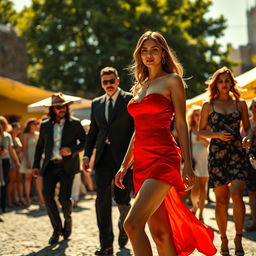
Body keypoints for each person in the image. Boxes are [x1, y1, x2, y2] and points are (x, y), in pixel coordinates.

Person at [115, 31, 216, 256]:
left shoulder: (173, 80)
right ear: (139, 55)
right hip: (141, 162)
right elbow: (137, 130)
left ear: (163, 53)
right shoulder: (139, 87)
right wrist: (125, 164)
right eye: (144, 50)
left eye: (154, 50)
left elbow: (181, 124)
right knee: (160, 234)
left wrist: (187, 165)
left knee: (131, 224)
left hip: (163, 157)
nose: (149, 55)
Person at [199, 66, 251, 256]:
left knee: (237, 195)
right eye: (220, 81)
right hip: (217, 156)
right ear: (215, 83)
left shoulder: (240, 104)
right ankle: (223, 238)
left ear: (231, 83)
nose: (223, 84)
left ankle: (238, 237)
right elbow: (201, 131)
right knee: (221, 201)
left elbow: (248, 127)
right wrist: (217, 135)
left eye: (227, 81)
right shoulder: (208, 105)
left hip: (237, 153)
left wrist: (248, 138)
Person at [83, 67, 134, 255]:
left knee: (122, 200)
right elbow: (93, 134)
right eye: (105, 82)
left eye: (111, 81)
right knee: (101, 201)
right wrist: (87, 155)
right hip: (103, 159)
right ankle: (106, 245)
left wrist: (134, 158)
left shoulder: (130, 99)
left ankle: (124, 227)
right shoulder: (96, 103)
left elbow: (136, 131)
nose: (108, 85)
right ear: (101, 83)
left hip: (125, 160)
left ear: (118, 81)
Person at [32, 92, 86, 244]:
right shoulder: (44, 125)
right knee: (47, 196)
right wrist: (36, 165)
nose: (62, 109)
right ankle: (56, 230)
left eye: (64, 106)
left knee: (64, 198)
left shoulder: (75, 123)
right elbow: (39, 147)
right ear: (52, 108)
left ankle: (67, 219)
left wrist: (72, 150)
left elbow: (85, 141)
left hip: (67, 166)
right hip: (50, 166)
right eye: (58, 106)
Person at [187, 106, 209, 223]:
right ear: (192, 117)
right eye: (196, 114)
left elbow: (208, 144)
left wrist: (203, 139)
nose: (198, 116)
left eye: (200, 114)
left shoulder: (207, 128)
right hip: (193, 162)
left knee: (203, 188)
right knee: (195, 188)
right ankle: (195, 206)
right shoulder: (189, 130)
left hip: (204, 160)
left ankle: (200, 213)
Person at [0, 116, 20, 213]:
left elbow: (11, 151)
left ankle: (3, 205)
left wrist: (16, 161)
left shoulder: (7, 136)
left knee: (5, 183)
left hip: (5, 161)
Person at [20, 118, 42, 206]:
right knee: (28, 179)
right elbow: (24, 149)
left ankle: (40, 197)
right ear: (29, 125)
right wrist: (27, 161)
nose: (35, 125)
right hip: (28, 158)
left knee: (38, 179)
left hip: (37, 159)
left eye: (36, 123)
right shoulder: (26, 135)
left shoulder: (38, 134)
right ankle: (28, 198)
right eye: (33, 123)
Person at [244, 99, 256, 232]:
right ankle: (254, 220)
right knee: (252, 192)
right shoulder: (247, 123)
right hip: (250, 159)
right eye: (254, 106)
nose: (255, 108)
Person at [8, 122, 25, 207]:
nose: (19, 130)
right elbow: (11, 150)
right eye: (17, 128)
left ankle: (17, 199)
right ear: (13, 128)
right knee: (12, 181)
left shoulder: (17, 138)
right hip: (12, 161)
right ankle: (10, 200)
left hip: (19, 161)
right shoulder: (9, 138)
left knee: (19, 181)